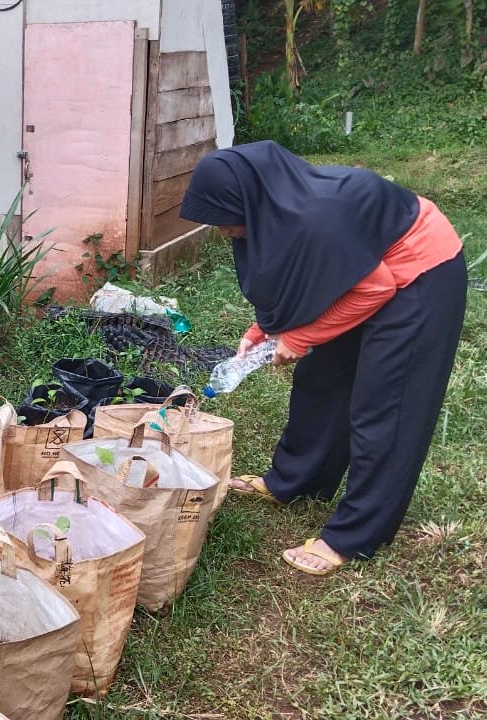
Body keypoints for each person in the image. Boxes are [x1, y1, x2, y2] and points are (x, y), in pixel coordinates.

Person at [179, 140, 467, 576]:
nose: (223, 234)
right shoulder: (279, 210)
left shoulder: (316, 218)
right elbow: (309, 276)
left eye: (226, 222)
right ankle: (299, 481)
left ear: (251, 204)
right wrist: (264, 330)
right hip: (364, 271)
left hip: (418, 273)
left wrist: (300, 336)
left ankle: (354, 535)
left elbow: (376, 288)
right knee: (322, 381)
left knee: (385, 407)